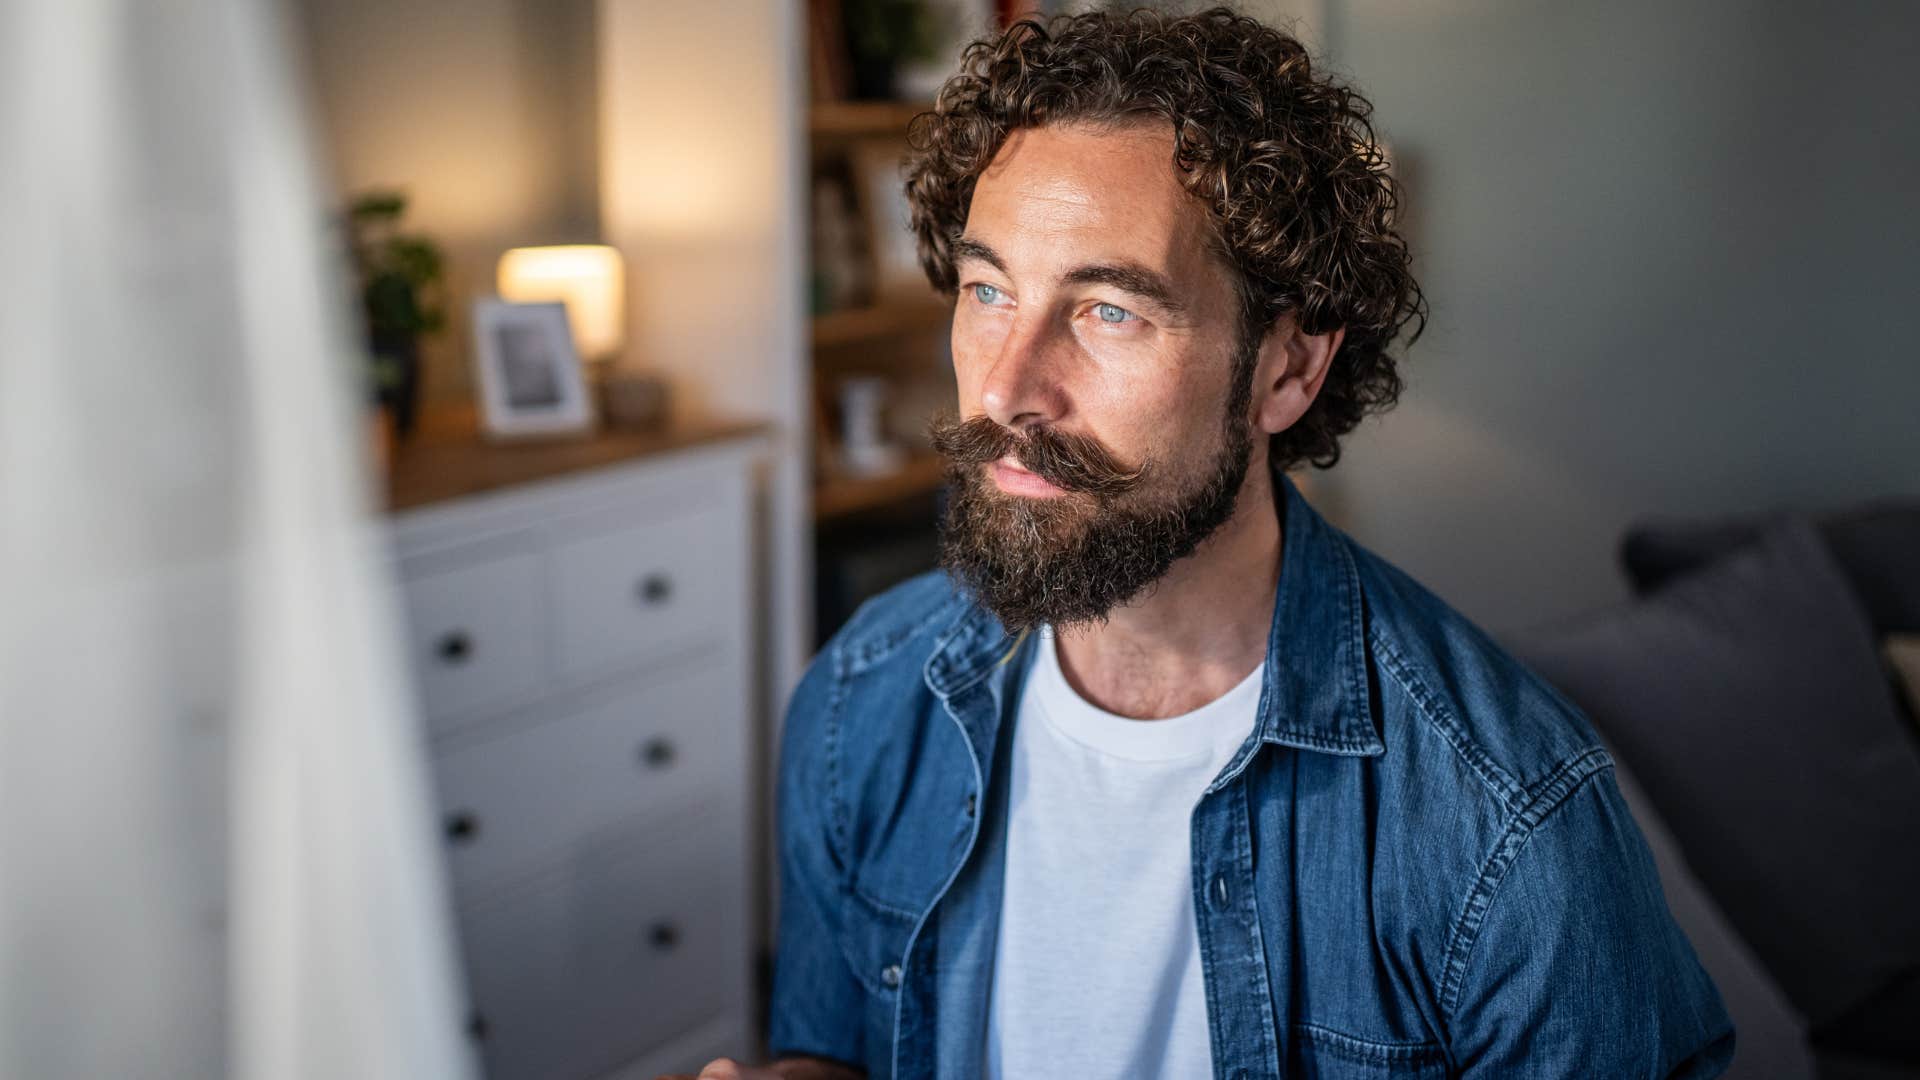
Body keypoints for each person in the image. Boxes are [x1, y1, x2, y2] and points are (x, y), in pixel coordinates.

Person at [670, 8, 1732, 1079]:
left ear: (1287, 371)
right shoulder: (864, 698)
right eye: (989, 291)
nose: (1006, 387)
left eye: (1108, 312)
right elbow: (844, 1048)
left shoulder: (1508, 827)